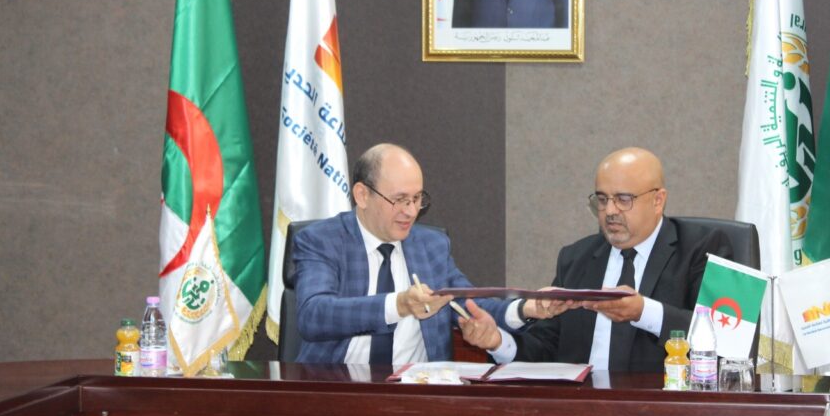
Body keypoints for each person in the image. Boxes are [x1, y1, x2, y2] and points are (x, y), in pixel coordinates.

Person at [460, 147, 735, 372]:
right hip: (583, 410)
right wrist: (498, 342)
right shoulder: (575, 258)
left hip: (666, 411)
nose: (610, 211)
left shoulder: (709, 247)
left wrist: (643, 312)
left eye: (623, 199)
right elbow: (546, 350)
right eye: (602, 200)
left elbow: (732, 339)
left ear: (658, 200)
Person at [293, 143, 515, 364]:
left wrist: (523, 310)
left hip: (418, 382)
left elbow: (469, 304)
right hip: (338, 381)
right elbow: (313, 315)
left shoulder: (431, 245)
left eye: (417, 198)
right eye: (399, 200)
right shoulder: (323, 240)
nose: (411, 211)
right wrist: (399, 305)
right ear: (362, 195)